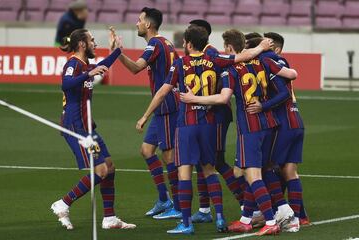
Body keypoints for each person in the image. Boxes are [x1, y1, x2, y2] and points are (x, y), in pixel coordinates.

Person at [136, 26, 273, 234]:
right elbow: (240, 57)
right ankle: (218, 217)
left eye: (184, 42)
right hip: (209, 123)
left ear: (189, 44)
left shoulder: (181, 63)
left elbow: (163, 91)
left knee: (184, 173)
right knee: (210, 169)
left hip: (187, 124)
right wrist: (261, 46)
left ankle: (186, 223)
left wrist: (145, 116)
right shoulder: (215, 59)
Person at [180, 29, 297, 236]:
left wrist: (193, 99)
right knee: (258, 170)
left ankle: (270, 220)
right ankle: (247, 219)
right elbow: (291, 75)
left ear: (229, 48)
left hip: (250, 127)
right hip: (269, 124)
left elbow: (223, 98)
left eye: (225, 47)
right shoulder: (263, 61)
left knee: (252, 176)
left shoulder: (231, 69)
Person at [50, 28, 136, 230]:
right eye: (92, 40)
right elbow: (66, 84)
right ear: (82, 44)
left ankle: (109, 218)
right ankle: (63, 203)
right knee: (101, 171)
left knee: (109, 167)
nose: (95, 44)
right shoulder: (73, 63)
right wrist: (89, 73)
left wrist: (117, 50)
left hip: (88, 126)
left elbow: (102, 66)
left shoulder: (84, 65)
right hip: (75, 127)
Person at [117, 7, 181, 219]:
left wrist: (117, 53)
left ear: (148, 25)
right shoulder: (166, 43)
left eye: (139, 20)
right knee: (146, 150)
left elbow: (136, 68)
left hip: (167, 105)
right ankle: (164, 199)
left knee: (169, 156)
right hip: (164, 104)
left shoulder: (154, 43)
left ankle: (179, 207)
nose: (136, 23)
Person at [247, 32, 309, 232]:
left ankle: (280, 211)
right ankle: (299, 216)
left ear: (275, 48)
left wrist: (263, 106)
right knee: (290, 171)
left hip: (284, 123)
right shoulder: (281, 62)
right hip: (296, 119)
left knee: (266, 165)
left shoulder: (270, 61)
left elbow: (283, 93)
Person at [188, 20, 246, 223]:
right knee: (202, 161)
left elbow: (223, 79)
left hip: (218, 113)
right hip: (206, 114)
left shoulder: (211, 53)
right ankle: (204, 209)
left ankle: (244, 203)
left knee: (216, 161)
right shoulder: (200, 55)